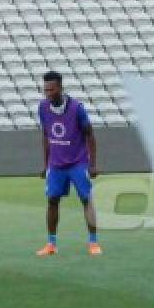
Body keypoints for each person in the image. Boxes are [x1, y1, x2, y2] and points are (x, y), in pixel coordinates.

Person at [34, 71, 101, 256]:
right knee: (52, 200)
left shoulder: (77, 108)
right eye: (45, 89)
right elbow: (46, 135)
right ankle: (51, 244)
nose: (48, 93)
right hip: (56, 164)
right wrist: (46, 164)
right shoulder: (42, 107)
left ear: (60, 88)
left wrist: (92, 164)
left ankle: (93, 242)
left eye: (51, 89)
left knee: (86, 199)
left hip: (78, 162)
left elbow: (90, 135)